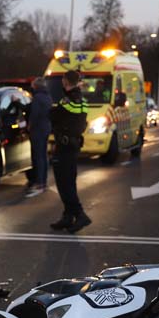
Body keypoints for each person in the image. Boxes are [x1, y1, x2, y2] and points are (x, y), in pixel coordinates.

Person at [48, 70, 92, 233]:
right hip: (74, 146)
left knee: (64, 184)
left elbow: (53, 115)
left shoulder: (67, 101)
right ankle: (67, 216)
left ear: (65, 81)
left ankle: (80, 214)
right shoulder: (83, 101)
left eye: (63, 81)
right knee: (69, 181)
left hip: (64, 146)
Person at [25, 77, 52, 197]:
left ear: (36, 86)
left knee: (38, 157)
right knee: (43, 155)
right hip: (46, 128)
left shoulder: (37, 98)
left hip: (38, 130)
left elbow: (34, 114)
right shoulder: (47, 97)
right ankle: (43, 181)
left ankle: (39, 183)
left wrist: (30, 125)